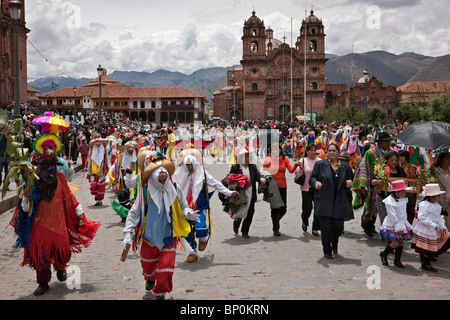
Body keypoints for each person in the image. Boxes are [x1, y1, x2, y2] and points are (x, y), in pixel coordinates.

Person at [9, 153, 100, 296]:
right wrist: (25, 196)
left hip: (59, 224)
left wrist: (80, 215)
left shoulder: (60, 178)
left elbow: (69, 198)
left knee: (61, 251)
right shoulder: (32, 181)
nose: (48, 170)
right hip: (39, 226)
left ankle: (60, 267)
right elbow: (26, 209)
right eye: (44, 166)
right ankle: (43, 283)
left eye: (51, 166)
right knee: (41, 255)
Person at [122, 154, 200, 300]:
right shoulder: (144, 193)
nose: (164, 181)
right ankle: (150, 278)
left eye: (165, 178)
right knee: (147, 266)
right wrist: (127, 234)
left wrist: (188, 212)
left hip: (169, 236)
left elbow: (183, 205)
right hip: (149, 237)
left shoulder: (174, 187)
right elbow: (133, 214)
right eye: (161, 179)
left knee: (166, 267)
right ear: (152, 177)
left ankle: (160, 293)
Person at [173, 148, 238, 262]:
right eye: (187, 165)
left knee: (201, 226)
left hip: (199, 206)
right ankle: (192, 252)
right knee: (186, 231)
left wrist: (228, 192)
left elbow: (216, 184)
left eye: (191, 165)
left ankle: (203, 238)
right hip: (184, 207)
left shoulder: (203, 174)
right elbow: (170, 187)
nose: (189, 168)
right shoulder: (178, 175)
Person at [309, 143, 353, 259]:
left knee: (338, 227)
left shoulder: (345, 167)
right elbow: (312, 178)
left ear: (338, 152)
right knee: (325, 228)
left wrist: (350, 183)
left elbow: (351, 179)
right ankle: (326, 250)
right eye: (330, 150)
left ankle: (334, 241)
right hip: (324, 200)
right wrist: (315, 183)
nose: (332, 152)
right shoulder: (320, 165)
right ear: (326, 152)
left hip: (339, 201)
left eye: (334, 150)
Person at [352, 131, 392, 237]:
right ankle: (367, 224)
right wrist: (364, 184)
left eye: (389, 142)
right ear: (381, 142)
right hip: (372, 184)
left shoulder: (391, 153)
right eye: (387, 142)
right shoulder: (371, 153)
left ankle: (382, 228)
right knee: (371, 205)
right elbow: (363, 168)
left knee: (385, 208)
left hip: (387, 185)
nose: (389, 144)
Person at [262, 143, 300, 236]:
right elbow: (263, 172)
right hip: (272, 186)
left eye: (277, 149)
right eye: (273, 149)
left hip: (283, 185)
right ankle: (275, 227)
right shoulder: (268, 160)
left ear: (280, 150)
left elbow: (291, 170)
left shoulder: (284, 159)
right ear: (270, 150)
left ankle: (276, 220)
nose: (275, 151)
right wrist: (264, 178)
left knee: (283, 209)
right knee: (275, 208)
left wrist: (296, 165)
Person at [411, 183, 450, 272]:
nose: (439, 197)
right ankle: (425, 263)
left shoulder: (437, 205)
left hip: (433, 228)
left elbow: (439, 217)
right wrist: (432, 224)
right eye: (438, 196)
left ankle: (426, 261)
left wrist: (442, 226)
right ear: (432, 197)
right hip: (425, 228)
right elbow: (421, 217)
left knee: (430, 245)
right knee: (426, 245)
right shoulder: (424, 205)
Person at [230, 148, 266, 238]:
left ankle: (245, 231)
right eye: (244, 156)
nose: (246, 158)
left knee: (250, 212)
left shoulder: (252, 166)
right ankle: (236, 223)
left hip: (251, 193)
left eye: (247, 156)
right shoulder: (235, 167)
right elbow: (231, 179)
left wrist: (261, 178)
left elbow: (257, 175)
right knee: (241, 211)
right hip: (240, 194)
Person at [379, 180, 414, 268]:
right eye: (403, 191)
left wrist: (407, 225)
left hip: (401, 222)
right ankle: (384, 254)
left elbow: (403, 213)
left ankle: (397, 260)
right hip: (393, 224)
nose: (404, 192)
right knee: (395, 243)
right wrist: (399, 228)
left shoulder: (403, 199)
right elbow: (392, 216)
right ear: (397, 192)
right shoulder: (390, 201)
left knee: (401, 243)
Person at [295, 143, 320, 236]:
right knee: (307, 208)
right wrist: (301, 168)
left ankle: (315, 228)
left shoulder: (320, 161)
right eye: (311, 150)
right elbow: (297, 174)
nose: (313, 152)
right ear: (307, 152)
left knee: (318, 209)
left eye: (314, 150)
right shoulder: (303, 161)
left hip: (318, 188)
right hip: (306, 188)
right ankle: (304, 221)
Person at [87, 137, 110, 206]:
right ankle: (96, 194)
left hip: (102, 171)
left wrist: (110, 169)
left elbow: (107, 161)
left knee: (101, 187)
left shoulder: (104, 151)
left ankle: (99, 200)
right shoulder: (91, 152)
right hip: (93, 172)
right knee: (93, 187)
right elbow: (89, 162)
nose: (97, 143)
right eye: (96, 142)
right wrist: (88, 172)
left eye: (99, 142)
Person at [433, 151, 450, 230]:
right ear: (440, 160)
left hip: (449, 203)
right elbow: (427, 183)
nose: (449, 161)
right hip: (439, 203)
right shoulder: (435, 171)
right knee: (441, 227)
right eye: (447, 159)